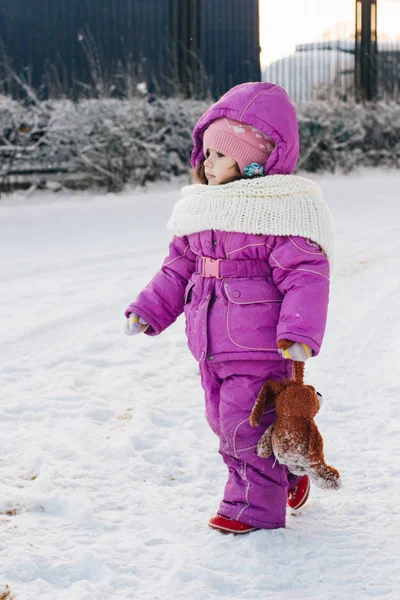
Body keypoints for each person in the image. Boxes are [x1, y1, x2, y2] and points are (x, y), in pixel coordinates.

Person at [124, 82, 334, 534]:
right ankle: (286, 470)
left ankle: (253, 508)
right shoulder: (199, 212)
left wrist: (299, 332)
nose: (206, 162)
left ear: (253, 161)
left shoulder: (279, 214)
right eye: (205, 153)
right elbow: (176, 269)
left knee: (243, 429)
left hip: (259, 348)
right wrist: (149, 309)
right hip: (210, 346)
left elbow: (306, 274)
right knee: (224, 426)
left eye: (220, 154)